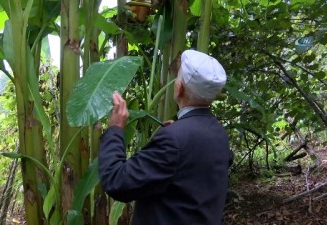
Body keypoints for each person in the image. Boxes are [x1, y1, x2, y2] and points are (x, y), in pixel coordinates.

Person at [98, 49, 232, 225]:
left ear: (179, 88)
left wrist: (115, 129)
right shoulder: (218, 132)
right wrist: (179, 135)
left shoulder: (174, 140)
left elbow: (117, 181)